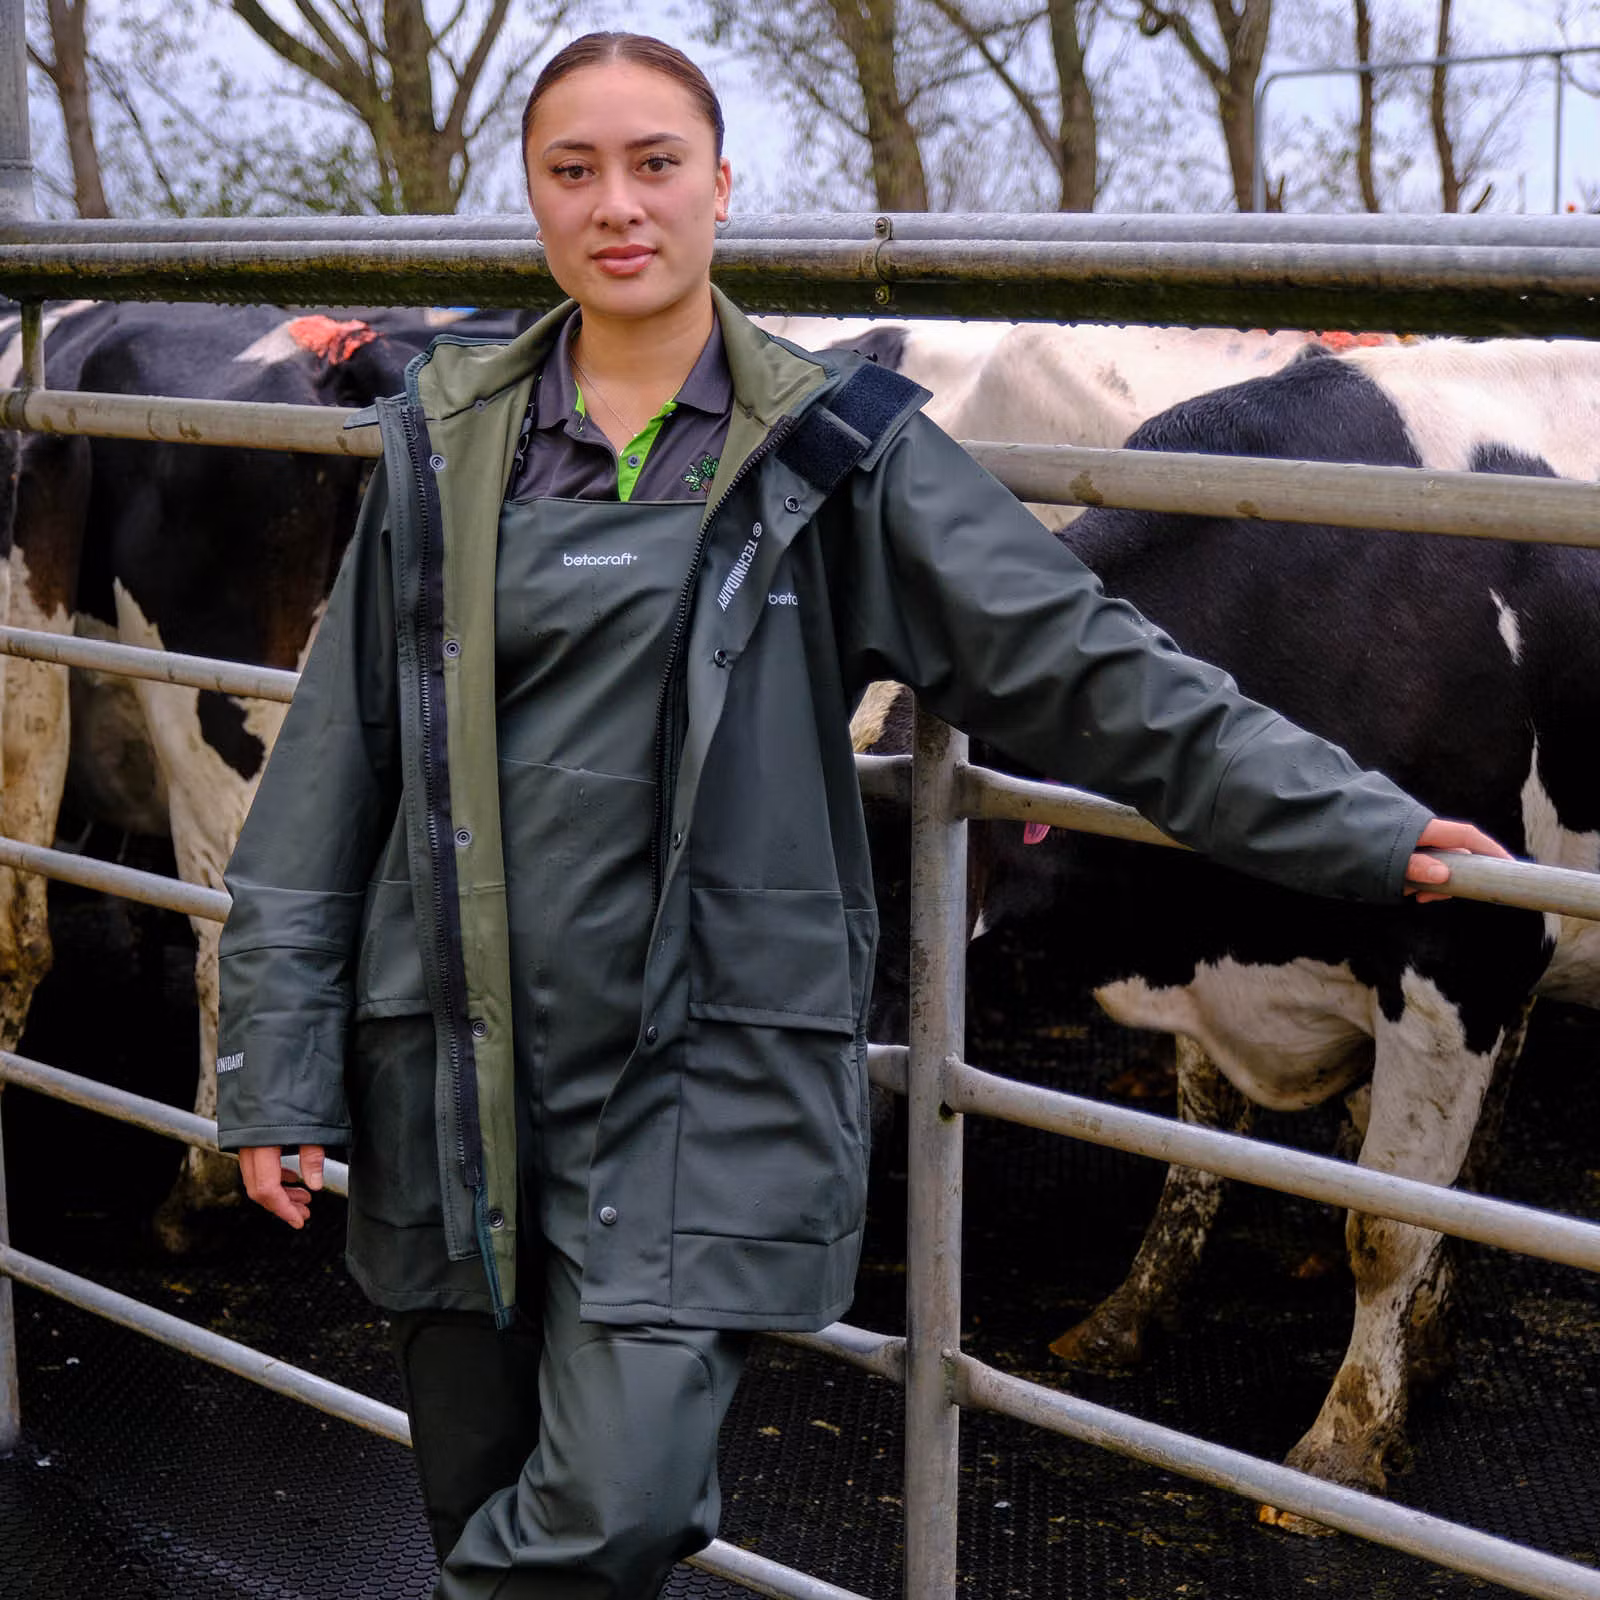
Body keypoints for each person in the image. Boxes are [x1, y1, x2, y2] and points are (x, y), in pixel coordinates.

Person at [214, 30, 1509, 1600]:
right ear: (534, 196)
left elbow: (1093, 670)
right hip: (451, 1072)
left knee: (609, 1508)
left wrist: (1360, 824)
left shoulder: (836, 452)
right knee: (482, 1500)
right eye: (574, 169)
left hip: (697, 1076)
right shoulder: (442, 439)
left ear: (719, 187)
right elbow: (331, 769)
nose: (618, 204)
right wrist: (273, 1062)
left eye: (654, 164)